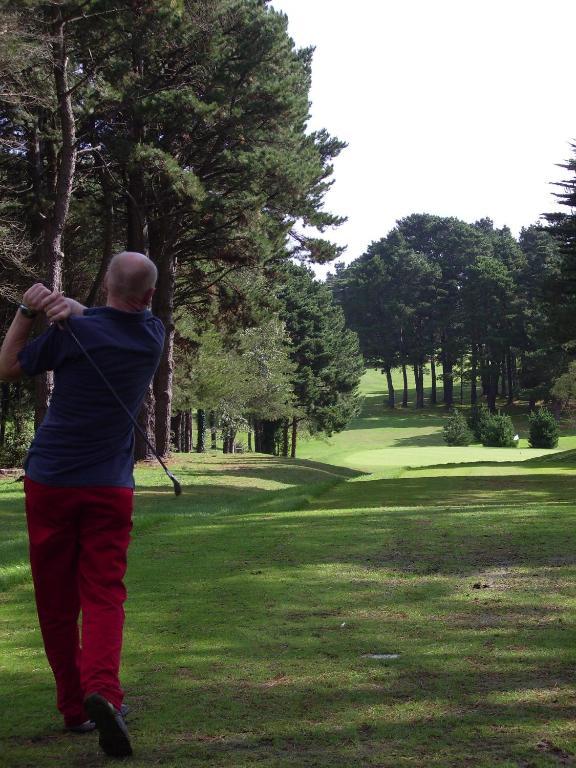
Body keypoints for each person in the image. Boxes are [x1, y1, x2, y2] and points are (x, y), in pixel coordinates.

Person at [0, 251, 165, 758]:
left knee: (55, 601)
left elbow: (7, 367)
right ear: (150, 295)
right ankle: (104, 693)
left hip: (49, 481)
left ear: (106, 286)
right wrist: (73, 310)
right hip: (108, 488)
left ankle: (74, 708)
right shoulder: (152, 337)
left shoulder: (74, 332)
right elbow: (109, 318)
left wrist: (28, 311)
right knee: (103, 596)